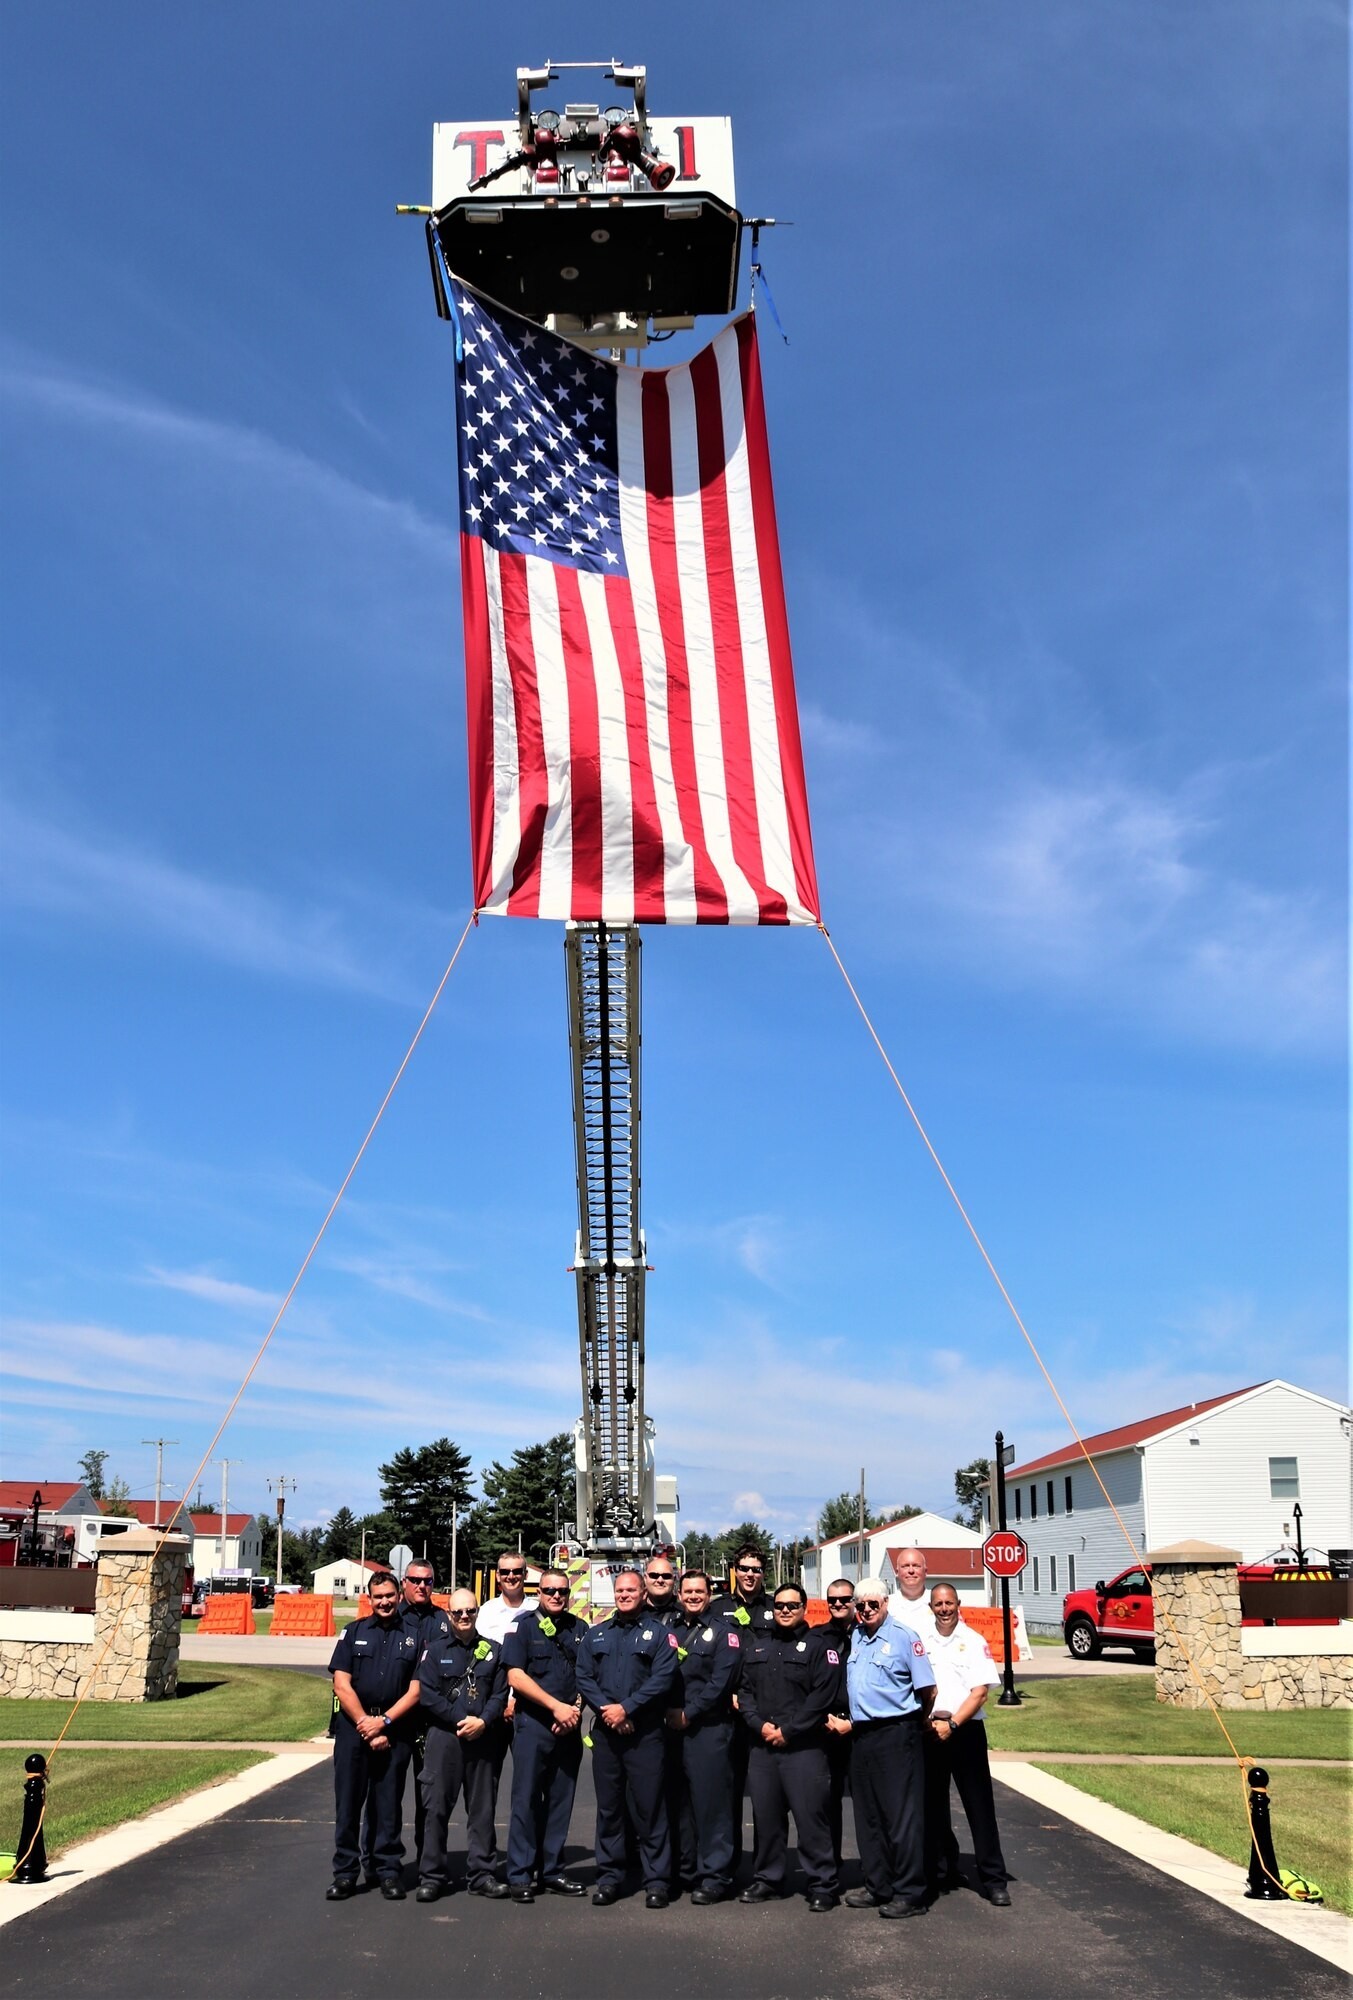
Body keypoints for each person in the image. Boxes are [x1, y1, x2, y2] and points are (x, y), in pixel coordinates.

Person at [577, 1567, 679, 1907]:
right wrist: (610, 1711)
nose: (624, 1595)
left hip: (645, 1736)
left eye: (631, 1591)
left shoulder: (658, 1635)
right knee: (610, 1810)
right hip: (608, 1736)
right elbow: (584, 1676)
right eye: (619, 1591)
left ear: (643, 1594)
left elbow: (662, 1678)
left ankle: (657, 1882)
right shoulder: (597, 1635)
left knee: (650, 1809)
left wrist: (628, 1708)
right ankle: (609, 1878)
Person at [738, 1582, 841, 1912]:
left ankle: (822, 1883)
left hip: (804, 1749)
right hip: (763, 1746)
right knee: (766, 1819)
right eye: (779, 1605)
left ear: (804, 1608)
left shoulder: (818, 1647)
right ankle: (767, 1878)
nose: (784, 1610)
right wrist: (759, 1725)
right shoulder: (757, 1647)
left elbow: (821, 1698)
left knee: (812, 1819)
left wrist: (789, 1731)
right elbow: (745, 1693)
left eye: (792, 1606)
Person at [327, 1570, 422, 1900]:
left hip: (396, 1729)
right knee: (349, 1805)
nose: (384, 1601)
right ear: (369, 1599)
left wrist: (384, 1723)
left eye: (390, 1595)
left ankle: (388, 1870)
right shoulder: (353, 1633)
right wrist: (367, 1723)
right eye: (378, 1596)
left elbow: (416, 1690)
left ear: (399, 1596)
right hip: (355, 1729)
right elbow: (341, 1684)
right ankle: (346, 1873)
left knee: (388, 1805)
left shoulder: (414, 1635)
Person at [843, 1584, 935, 1919]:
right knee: (869, 1817)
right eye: (861, 1604)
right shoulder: (857, 1635)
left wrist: (914, 1723)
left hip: (896, 1733)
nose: (866, 1609)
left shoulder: (904, 1637)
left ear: (885, 1602)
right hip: (862, 1735)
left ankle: (910, 1893)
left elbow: (928, 1690)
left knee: (901, 1818)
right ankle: (878, 1885)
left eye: (872, 1603)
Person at [413, 1589, 509, 1901]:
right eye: (458, 1613)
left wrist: (482, 1721)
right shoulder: (434, 1651)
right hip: (445, 1737)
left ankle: (481, 1874)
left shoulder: (493, 1651)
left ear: (477, 1612)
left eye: (470, 1611)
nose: (464, 1617)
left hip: (483, 1737)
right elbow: (427, 1695)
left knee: (482, 1809)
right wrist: (461, 1719)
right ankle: (432, 1876)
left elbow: (499, 1693)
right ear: (449, 1614)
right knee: (435, 1809)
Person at [501, 1567, 588, 1902]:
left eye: (562, 1591)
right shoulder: (522, 1627)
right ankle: (521, 1875)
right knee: (525, 1801)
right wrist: (556, 1707)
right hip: (533, 1726)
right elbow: (516, 1676)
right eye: (550, 1590)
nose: (556, 1596)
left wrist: (574, 1710)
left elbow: (587, 1674)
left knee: (560, 1802)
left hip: (569, 1725)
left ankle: (552, 1871)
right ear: (540, 1592)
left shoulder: (579, 1629)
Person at [923, 1585, 1011, 1906]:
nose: (944, 1608)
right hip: (931, 1730)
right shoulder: (921, 1641)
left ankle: (993, 1878)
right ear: (930, 1607)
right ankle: (940, 1870)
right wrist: (929, 1723)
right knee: (931, 1808)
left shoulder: (973, 1641)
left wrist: (954, 1724)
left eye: (949, 1603)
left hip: (966, 1731)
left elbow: (980, 1693)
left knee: (979, 1807)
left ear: (958, 1604)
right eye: (938, 1604)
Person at [667, 1568, 742, 1904]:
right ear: (679, 1594)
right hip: (671, 1729)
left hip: (708, 1729)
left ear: (709, 1594)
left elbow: (721, 1683)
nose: (694, 1596)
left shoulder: (725, 1633)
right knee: (679, 1804)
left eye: (700, 1591)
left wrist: (689, 1713)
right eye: (688, 1591)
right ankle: (686, 1870)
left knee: (712, 1805)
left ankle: (715, 1875)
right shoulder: (669, 1628)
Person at [710, 1545, 776, 1876]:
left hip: (764, 1714)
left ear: (764, 1573)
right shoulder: (717, 1608)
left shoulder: (775, 1609)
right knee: (727, 1794)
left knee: (766, 1798)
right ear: (734, 1570)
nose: (750, 1574)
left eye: (756, 1569)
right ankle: (728, 1866)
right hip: (726, 1712)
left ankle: (764, 1869)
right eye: (744, 1568)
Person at [811, 1580, 856, 1876]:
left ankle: (878, 1869)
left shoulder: (867, 1634)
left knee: (868, 1801)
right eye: (833, 1600)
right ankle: (831, 1867)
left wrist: (852, 1722)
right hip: (825, 1727)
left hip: (859, 1726)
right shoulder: (817, 1637)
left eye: (844, 1599)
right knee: (826, 1802)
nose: (838, 1604)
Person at [476, 1553, 532, 1646]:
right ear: (498, 1576)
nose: (511, 1576)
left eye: (517, 1571)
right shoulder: (486, 1612)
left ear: (525, 1574)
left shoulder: (537, 1610)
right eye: (505, 1572)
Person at [889, 1548, 936, 1640]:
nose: (911, 1571)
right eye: (905, 1566)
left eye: (916, 1566)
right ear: (897, 1572)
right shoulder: (887, 1605)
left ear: (925, 1571)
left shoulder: (939, 1602)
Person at [642, 1554, 680, 1625]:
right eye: (654, 1575)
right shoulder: (634, 1611)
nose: (660, 1580)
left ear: (674, 1579)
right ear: (645, 1578)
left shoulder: (685, 1613)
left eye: (666, 1576)